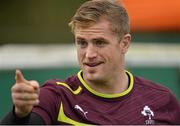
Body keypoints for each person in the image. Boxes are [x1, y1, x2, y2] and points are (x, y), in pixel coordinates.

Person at [1, 0, 180, 125]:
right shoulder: (57, 97)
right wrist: (20, 115)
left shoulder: (162, 100)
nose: (89, 54)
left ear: (124, 43)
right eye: (82, 43)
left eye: (99, 42)